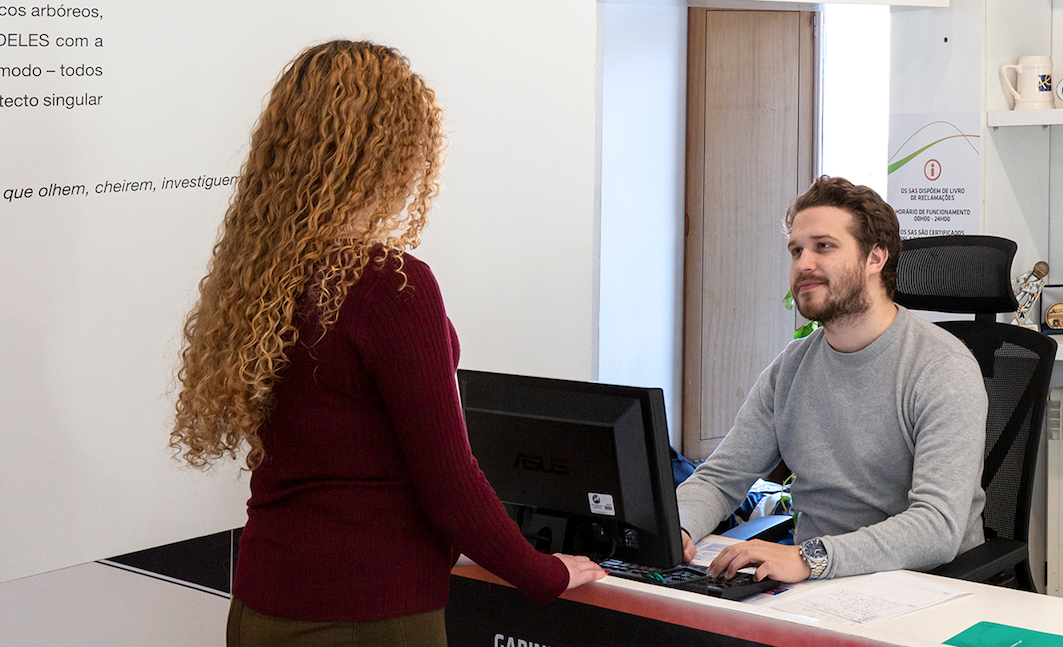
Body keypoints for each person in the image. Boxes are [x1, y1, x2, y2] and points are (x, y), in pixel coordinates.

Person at [169, 40, 605, 646]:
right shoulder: (390, 286)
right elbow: (450, 485)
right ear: (391, 153)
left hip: (261, 608)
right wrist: (542, 573)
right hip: (366, 616)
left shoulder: (262, 277)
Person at [676, 176, 988, 583]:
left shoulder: (941, 367)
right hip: (818, 583)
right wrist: (677, 529)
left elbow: (936, 527)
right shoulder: (791, 368)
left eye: (823, 246)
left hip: (925, 584)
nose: (804, 263)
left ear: (875, 258)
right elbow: (720, 479)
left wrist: (810, 558)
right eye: (796, 250)